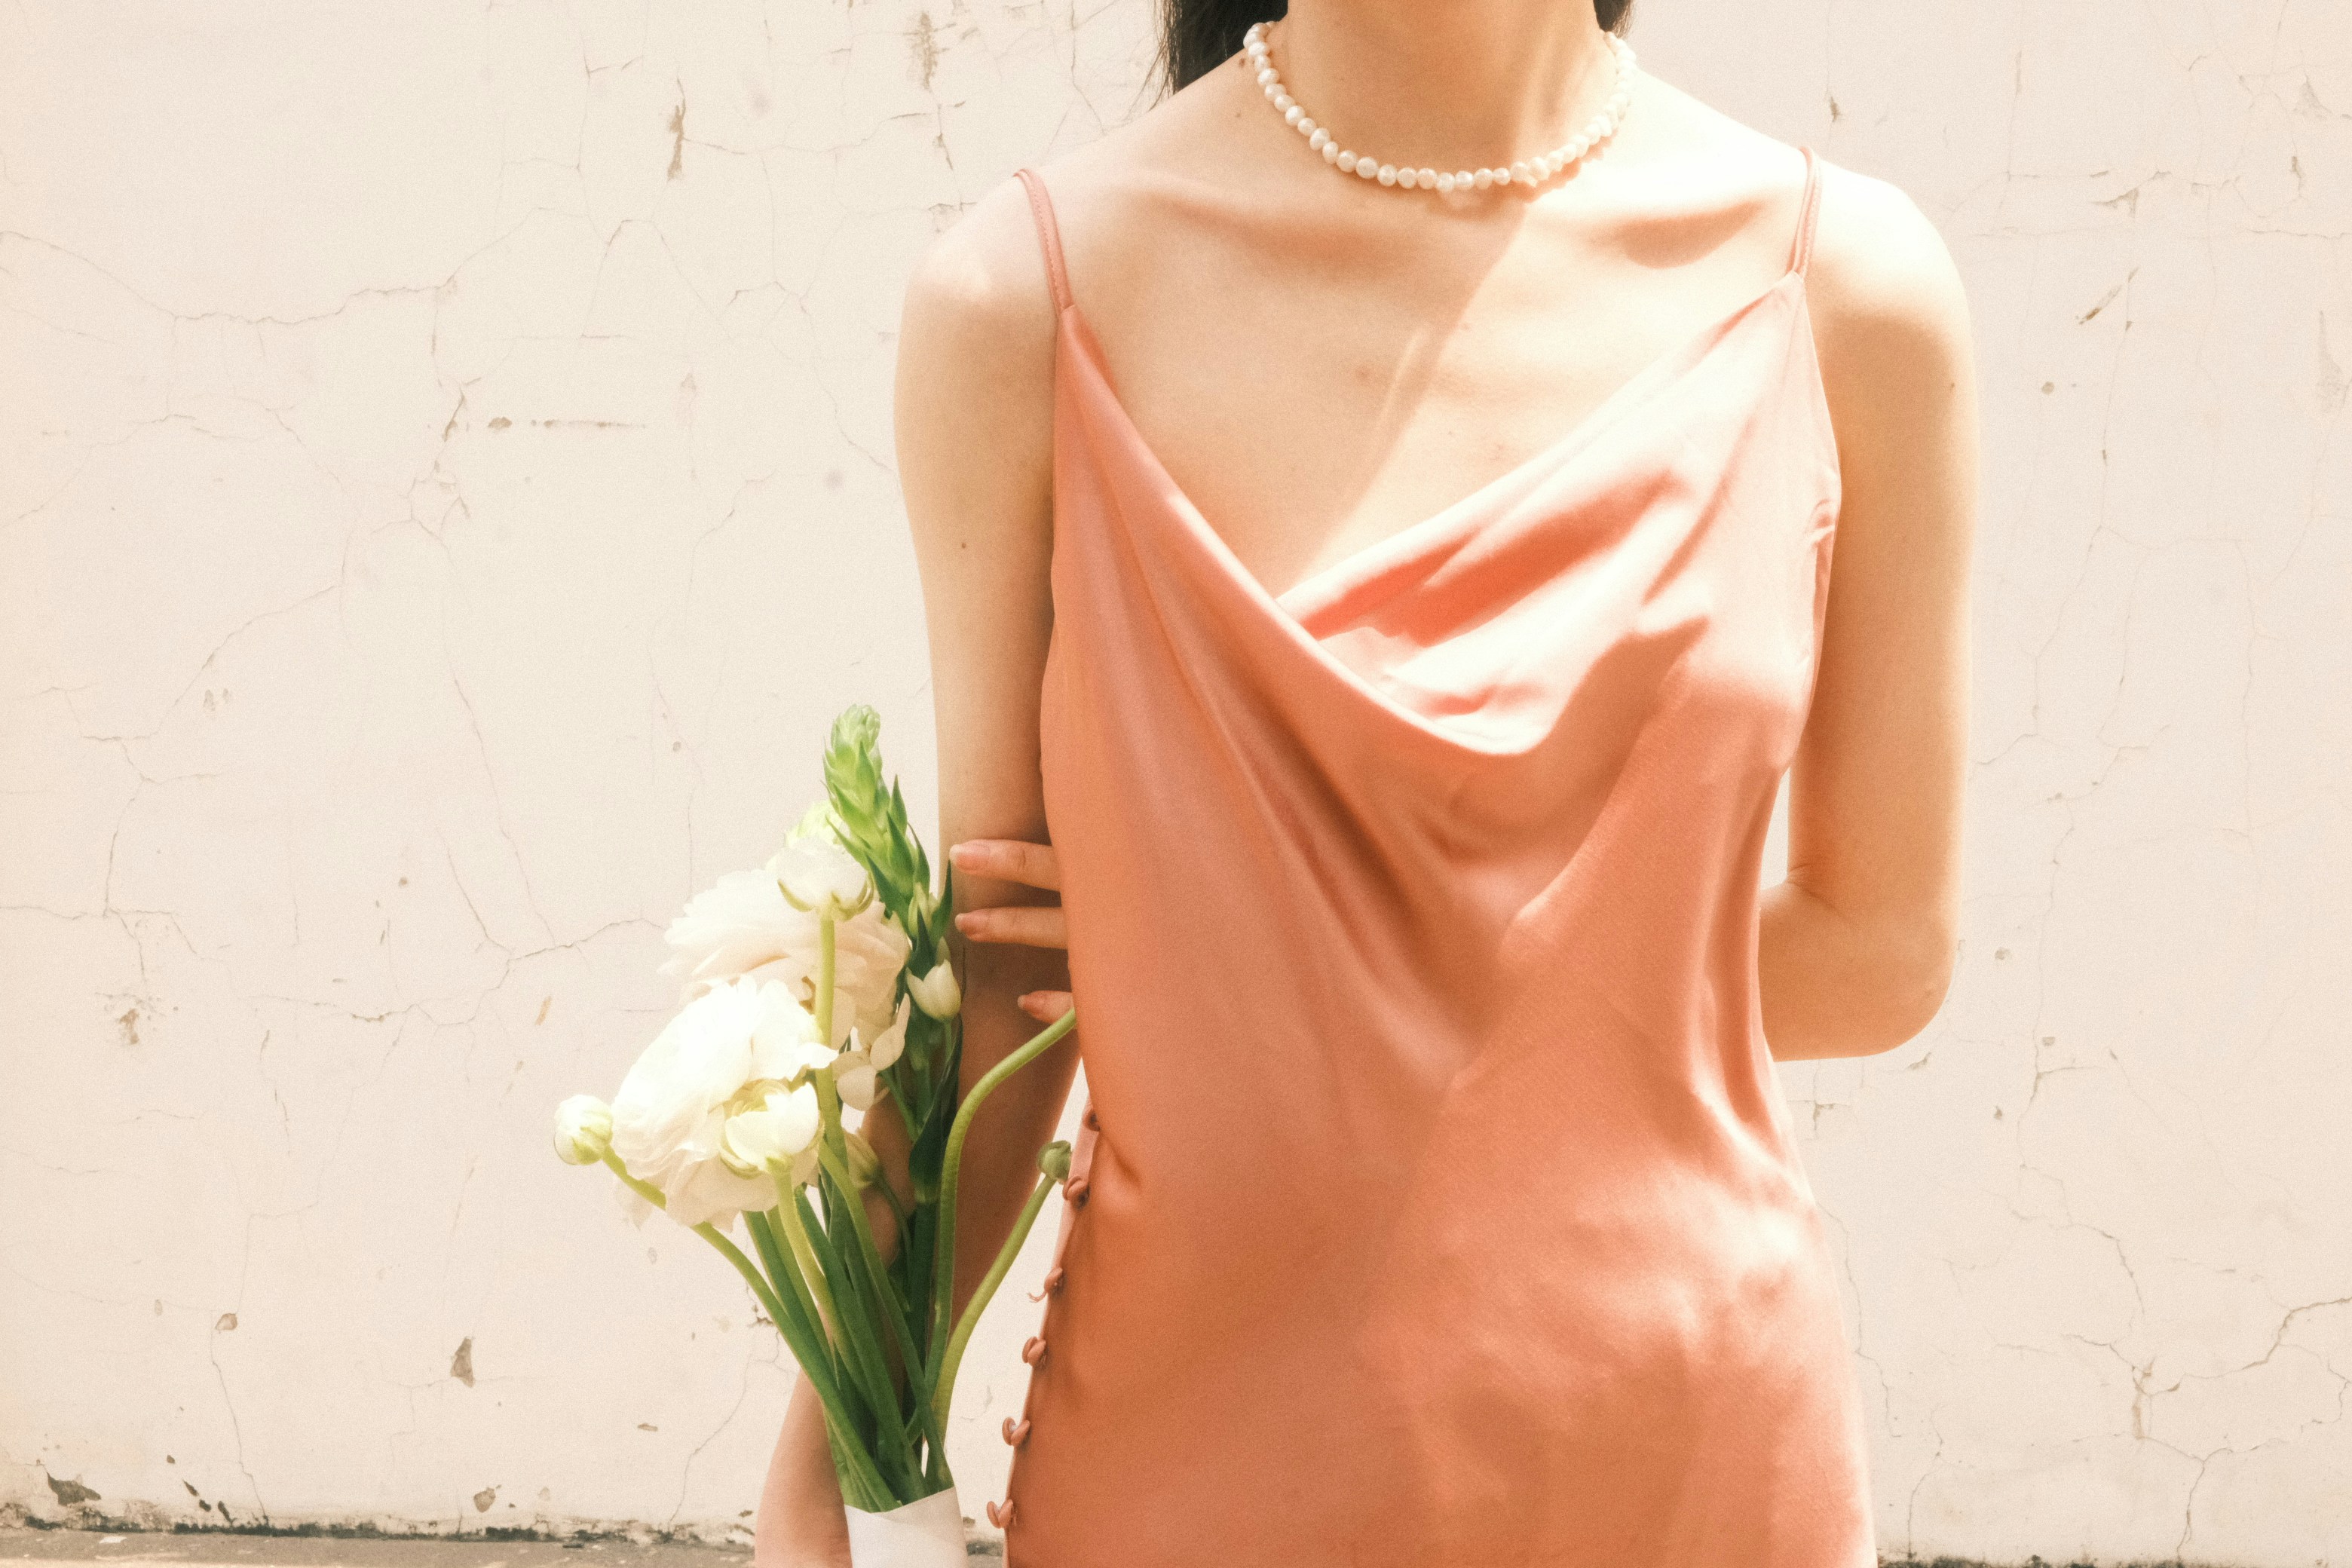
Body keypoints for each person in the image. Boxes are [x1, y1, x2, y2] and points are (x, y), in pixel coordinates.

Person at [759, 0, 1974, 1561]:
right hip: (1197, 1456)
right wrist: (829, 1449)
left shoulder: (1848, 288)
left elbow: (1880, 953)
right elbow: (1008, 985)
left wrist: (1338, 988)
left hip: (1692, 1461)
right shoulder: (1024, 299)